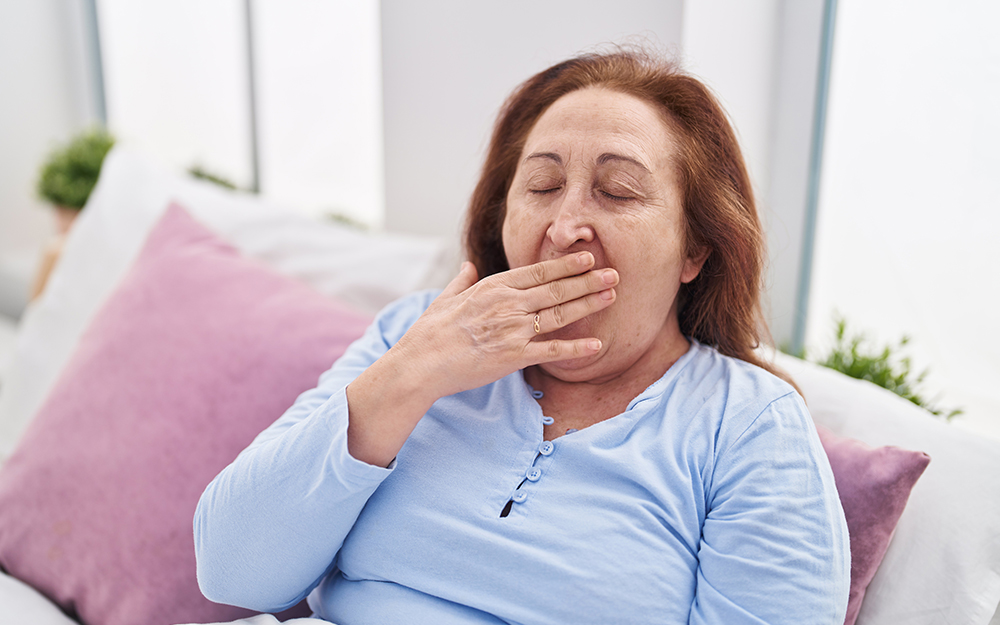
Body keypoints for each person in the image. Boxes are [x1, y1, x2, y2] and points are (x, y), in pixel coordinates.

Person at [194, 49, 850, 624]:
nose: (567, 225)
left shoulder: (750, 427)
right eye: (540, 185)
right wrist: (415, 370)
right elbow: (232, 572)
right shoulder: (417, 332)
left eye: (618, 192)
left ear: (695, 248)